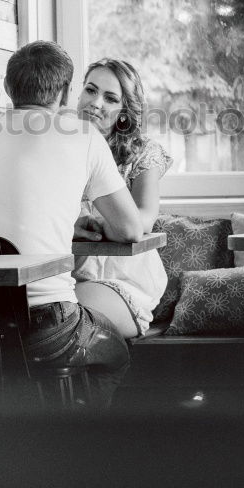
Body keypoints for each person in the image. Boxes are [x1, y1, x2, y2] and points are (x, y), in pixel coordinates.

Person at [0, 40, 142, 400]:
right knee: (116, 357)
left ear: (8, 87)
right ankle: (77, 441)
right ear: (66, 93)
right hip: (47, 325)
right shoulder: (84, 136)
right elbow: (131, 229)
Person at [73, 58, 173, 337]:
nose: (96, 103)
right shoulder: (57, 144)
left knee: (61, 316)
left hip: (125, 280)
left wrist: (101, 226)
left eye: (110, 98)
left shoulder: (143, 153)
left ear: (124, 112)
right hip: (68, 273)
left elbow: (144, 220)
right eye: (90, 90)